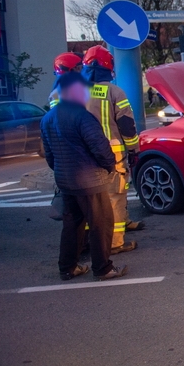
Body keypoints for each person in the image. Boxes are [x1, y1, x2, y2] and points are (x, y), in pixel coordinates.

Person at [40, 72, 128, 281]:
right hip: (90, 181)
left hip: (66, 182)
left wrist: (61, 171)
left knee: (72, 225)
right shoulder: (82, 117)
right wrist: (109, 166)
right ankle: (103, 268)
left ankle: (67, 268)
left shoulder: (48, 118)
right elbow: (100, 147)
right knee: (101, 224)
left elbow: (49, 155)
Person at [82, 45, 143, 254]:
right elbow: (126, 125)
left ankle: (91, 240)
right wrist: (134, 149)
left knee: (91, 199)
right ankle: (115, 242)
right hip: (112, 153)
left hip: (83, 155)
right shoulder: (115, 91)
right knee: (115, 197)